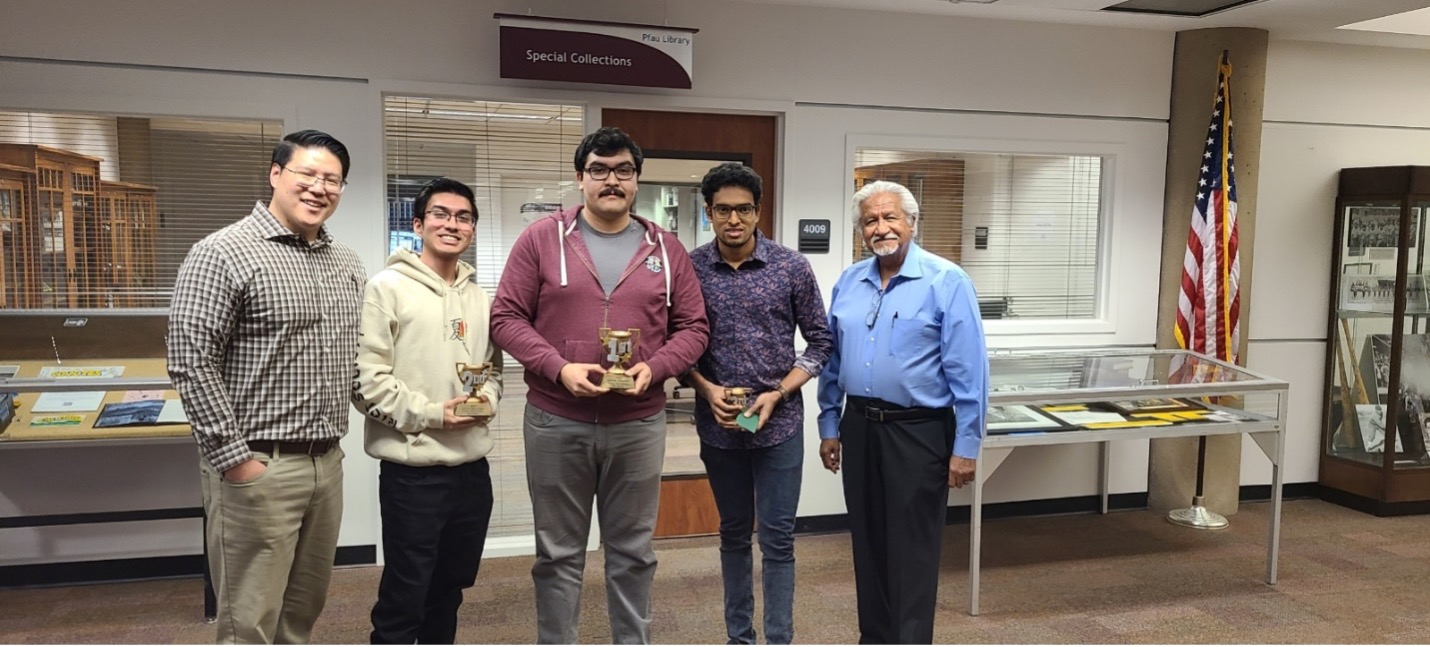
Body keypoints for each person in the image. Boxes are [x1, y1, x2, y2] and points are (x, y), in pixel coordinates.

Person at [490, 126, 710, 644]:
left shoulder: (667, 247)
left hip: (637, 424)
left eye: (623, 171)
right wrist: (556, 366)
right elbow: (505, 317)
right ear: (580, 178)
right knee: (558, 554)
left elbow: (695, 327)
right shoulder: (541, 239)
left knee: (633, 552)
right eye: (599, 170)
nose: (611, 180)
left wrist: (654, 369)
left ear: (636, 180)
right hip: (555, 420)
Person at [167, 129, 364, 644]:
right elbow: (190, 361)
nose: (320, 188)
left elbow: (354, 363)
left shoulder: (344, 262)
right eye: (308, 174)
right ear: (276, 174)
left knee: (302, 611)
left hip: (327, 465)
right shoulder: (223, 252)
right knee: (249, 620)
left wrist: (418, 412)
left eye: (333, 180)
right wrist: (235, 460)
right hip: (258, 466)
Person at [815, 180, 989, 644]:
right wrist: (829, 424)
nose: (881, 227)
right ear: (861, 231)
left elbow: (969, 373)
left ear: (912, 222)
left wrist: (966, 447)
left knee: (912, 550)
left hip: (919, 433)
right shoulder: (850, 281)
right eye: (871, 220)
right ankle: (873, 637)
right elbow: (833, 362)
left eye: (891, 217)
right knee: (868, 543)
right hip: (859, 426)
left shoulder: (946, 281)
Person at [685, 163, 833, 645]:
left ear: (758, 212)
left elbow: (820, 343)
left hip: (780, 426)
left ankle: (778, 639)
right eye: (723, 209)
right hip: (718, 425)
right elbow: (675, 345)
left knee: (777, 541)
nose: (734, 219)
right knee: (732, 536)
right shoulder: (689, 269)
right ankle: (739, 637)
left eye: (743, 209)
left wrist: (780, 392)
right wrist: (705, 389)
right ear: (709, 213)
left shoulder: (790, 266)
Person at [351, 178, 503, 644]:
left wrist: (487, 403)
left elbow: (493, 372)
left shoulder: (482, 297)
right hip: (413, 475)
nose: (451, 224)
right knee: (405, 595)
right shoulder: (386, 288)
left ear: (472, 230)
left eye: (463, 217)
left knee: (449, 591)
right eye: (440, 214)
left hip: (471, 470)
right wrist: (436, 414)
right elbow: (365, 385)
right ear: (418, 224)